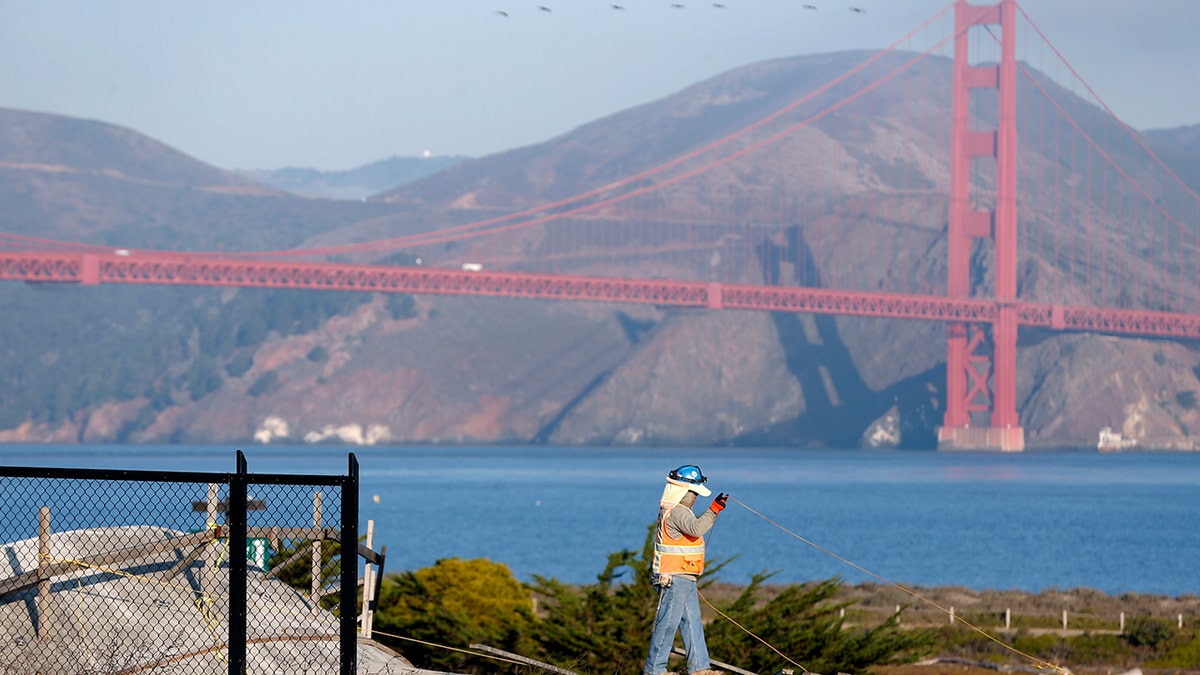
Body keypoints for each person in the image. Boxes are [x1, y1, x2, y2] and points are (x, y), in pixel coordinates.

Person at [644, 464, 729, 675]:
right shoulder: (677, 512)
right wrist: (714, 510)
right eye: (694, 492)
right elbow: (697, 528)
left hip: (683, 576)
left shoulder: (676, 511)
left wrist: (712, 511)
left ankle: (700, 667)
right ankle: (654, 670)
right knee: (668, 625)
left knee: (691, 622)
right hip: (673, 577)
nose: (695, 497)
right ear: (683, 490)